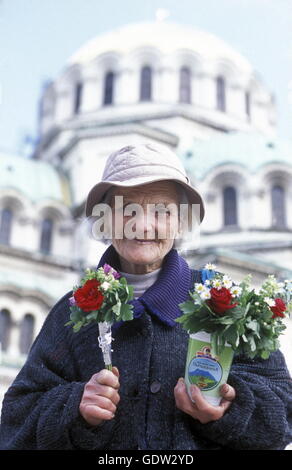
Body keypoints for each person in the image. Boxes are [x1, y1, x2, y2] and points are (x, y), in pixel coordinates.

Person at [0, 143, 291, 450]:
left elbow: (282, 412)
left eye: (162, 211)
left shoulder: (225, 301)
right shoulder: (72, 312)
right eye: (127, 210)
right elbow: (15, 423)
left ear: (180, 222)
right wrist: (76, 407)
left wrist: (232, 407)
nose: (143, 226)